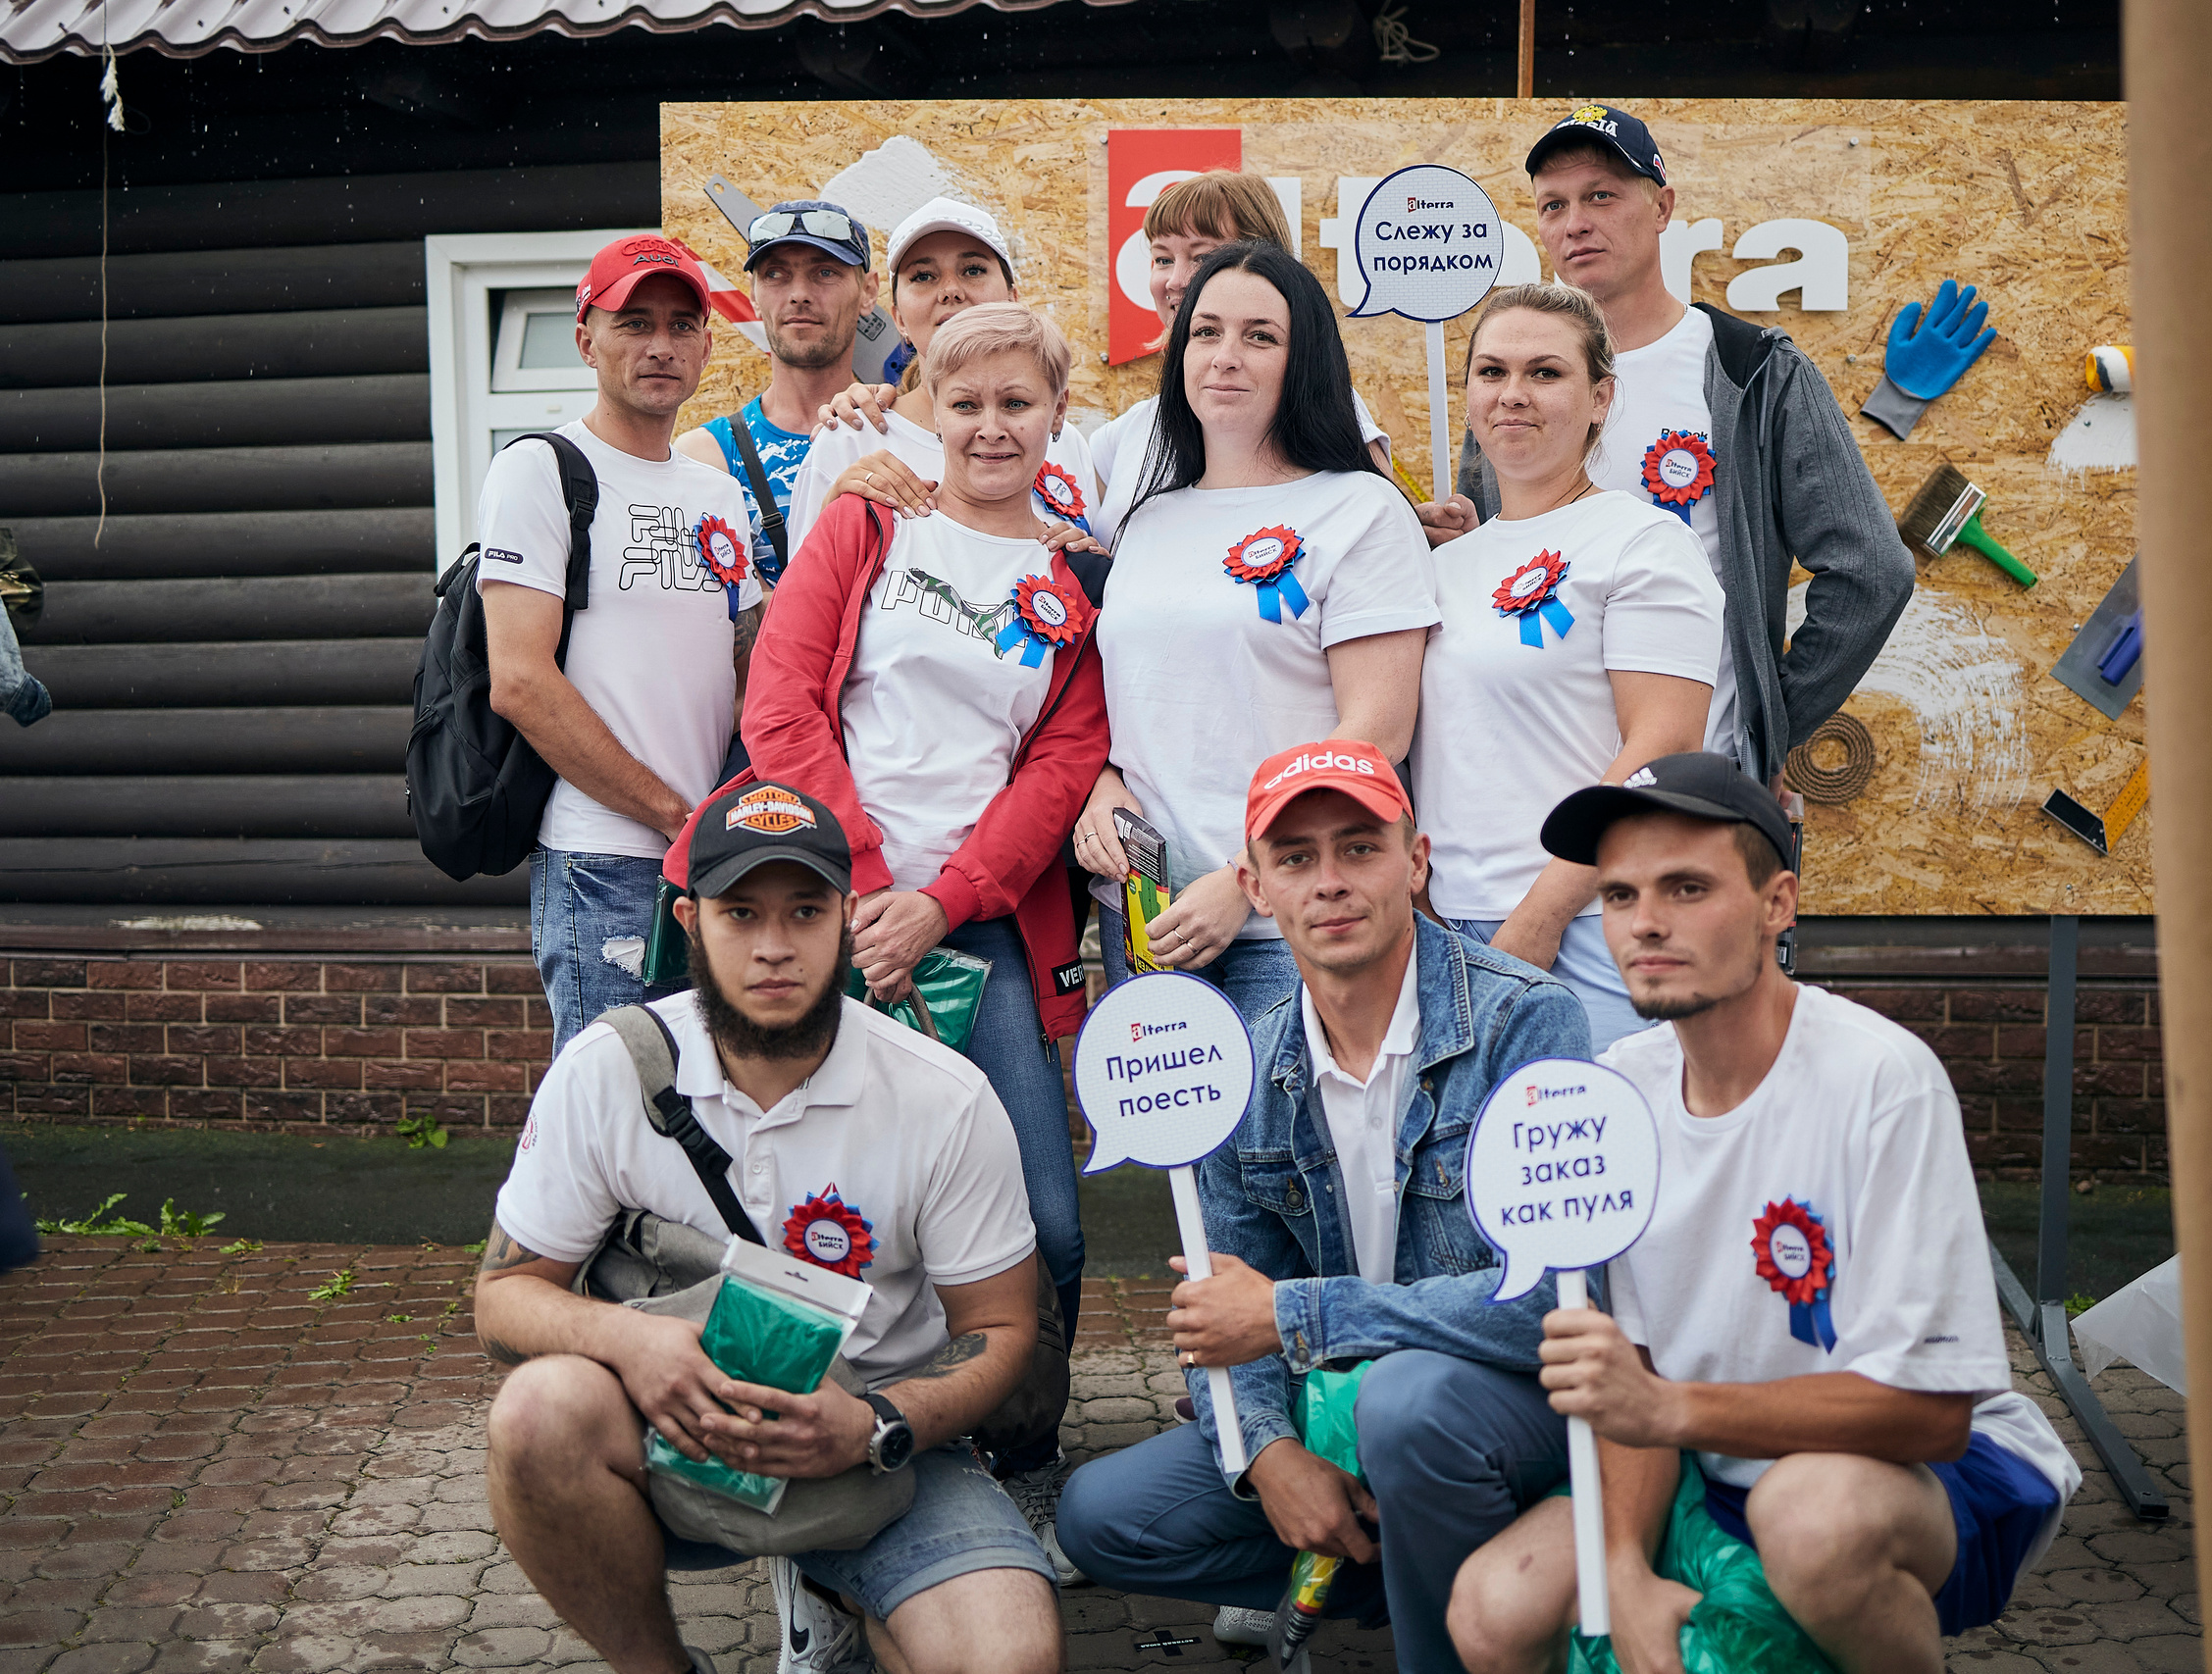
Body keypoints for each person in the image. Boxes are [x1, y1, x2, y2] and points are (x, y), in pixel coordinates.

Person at [1447, 753, 2078, 1674]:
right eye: (1618, 896)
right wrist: (1623, 1572)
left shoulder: (1880, 1078)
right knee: (1493, 1607)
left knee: (1809, 1522)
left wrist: (1667, 1407)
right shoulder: (1617, 1092)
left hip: (1928, 1475)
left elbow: (1935, 1413)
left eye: (1687, 887)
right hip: (1711, 1458)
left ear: (1778, 903)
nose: (1645, 923)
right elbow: (1636, 1371)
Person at [667, 302, 1109, 1580]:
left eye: (1016, 402)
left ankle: (1010, 1462)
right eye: (965, 399)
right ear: (931, 404)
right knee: (821, 1204)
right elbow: (783, 700)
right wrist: (866, 889)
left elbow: (1066, 757)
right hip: (826, 918)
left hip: (986, 932)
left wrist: (948, 896)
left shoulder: (1078, 574)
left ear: (1052, 418)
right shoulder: (871, 518)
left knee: (1043, 1220)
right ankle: (793, 1469)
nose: (989, 424)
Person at [478, 779, 1059, 1674]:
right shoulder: (607, 1069)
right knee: (536, 1415)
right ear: (689, 917)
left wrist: (872, 1422)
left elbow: (1004, 1326)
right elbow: (505, 1295)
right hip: (674, 1428)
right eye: (740, 913)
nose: (775, 947)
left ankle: (840, 1581)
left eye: (804, 911)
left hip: (878, 1450)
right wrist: (632, 1346)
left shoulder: (943, 1096)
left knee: (1009, 1657)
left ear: (848, 914)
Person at [1056, 740, 1594, 1674]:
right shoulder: (1242, 1068)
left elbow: (1552, 1308)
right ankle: (1425, 1568)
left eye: (1360, 847)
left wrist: (1292, 1314)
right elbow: (1225, 1314)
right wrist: (1270, 1458)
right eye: (1296, 858)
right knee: (1105, 1516)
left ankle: (1472, 1602)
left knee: (1407, 1400)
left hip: (1497, 1408)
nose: (1330, 882)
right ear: (1256, 889)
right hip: (1342, 1417)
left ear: (1416, 859)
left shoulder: (1527, 1021)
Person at [1436, 105, 1911, 785]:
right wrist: (1460, 548)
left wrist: (1762, 728)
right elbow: (1503, 574)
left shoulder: (1751, 371)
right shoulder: (1516, 382)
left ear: (1662, 207)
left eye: (1601, 195)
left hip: (1694, 786)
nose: (1575, 223)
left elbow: (1872, 571)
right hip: (1529, 780)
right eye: (1553, 205)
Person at [1071, 241, 1439, 1023]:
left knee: (1297, 1148)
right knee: (1185, 1150)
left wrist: (1251, 877)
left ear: (1302, 359)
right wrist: (1100, 786)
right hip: (1147, 915)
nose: (1224, 358)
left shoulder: (1360, 511)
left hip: (1293, 918)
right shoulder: (1149, 515)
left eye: (1259, 336)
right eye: (1205, 333)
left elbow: (1376, 732)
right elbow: (1125, 700)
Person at [1415, 282, 1724, 1048]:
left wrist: (1541, 915)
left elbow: (1664, 746)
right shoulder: (1444, 566)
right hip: (1448, 935)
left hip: (1589, 925)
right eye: (1491, 373)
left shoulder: (1642, 544)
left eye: (1545, 373)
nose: (1512, 395)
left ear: (1600, 397)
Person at [479, 234, 762, 1052]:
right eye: (634, 323)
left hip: (712, 863)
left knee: (709, 1109)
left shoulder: (719, 492)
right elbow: (521, 682)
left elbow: (744, 671)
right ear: (586, 339)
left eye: (682, 325)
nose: (661, 346)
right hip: (602, 864)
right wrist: (675, 816)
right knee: (615, 1118)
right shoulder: (541, 469)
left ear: (708, 345)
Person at [784, 199, 1100, 551]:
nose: (950, 290)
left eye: (973, 270)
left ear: (1013, 300)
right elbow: (804, 597)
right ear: (899, 318)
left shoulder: (1065, 441)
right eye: (923, 276)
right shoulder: (850, 440)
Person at [1095, 169, 1396, 523]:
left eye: (1203, 258)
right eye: (1163, 259)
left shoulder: (1327, 407)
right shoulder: (1125, 434)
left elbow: (1380, 524)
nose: (1175, 281)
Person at [673, 199, 880, 586]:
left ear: (868, 291)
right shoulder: (707, 458)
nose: (799, 293)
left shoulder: (901, 435)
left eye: (824, 272)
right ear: (753, 293)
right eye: (775, 274)